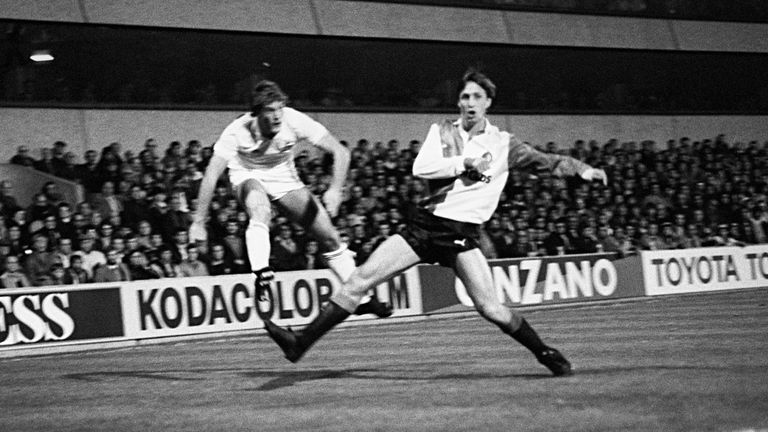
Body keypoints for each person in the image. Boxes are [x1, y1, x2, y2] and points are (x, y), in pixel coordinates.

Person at [264, 69, 607, 376]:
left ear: (488, 102)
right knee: (358, 280)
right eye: (464, 96)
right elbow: (421, 168)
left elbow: (548, 163)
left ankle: (544, 352)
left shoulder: (504, 144)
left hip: (460, 235)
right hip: (424, 226)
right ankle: (299, 344)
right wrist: (463, 163)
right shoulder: (441, 130)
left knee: (490, 308)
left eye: (476, 97)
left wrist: (583, 169)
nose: (468, 103)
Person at [189, 79, 390, 317]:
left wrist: (335, 189)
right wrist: (198, 222)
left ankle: (361, 299)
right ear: (256, 113)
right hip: (246, 174)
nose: (277, 116)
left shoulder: (294, 120)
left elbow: (341, 152)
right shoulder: (236, 132)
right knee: (260, 209)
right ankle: (262, 271)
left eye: (280, 109)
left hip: (284, 178)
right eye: (270, 110)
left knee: (331, 239)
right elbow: (211, 175)